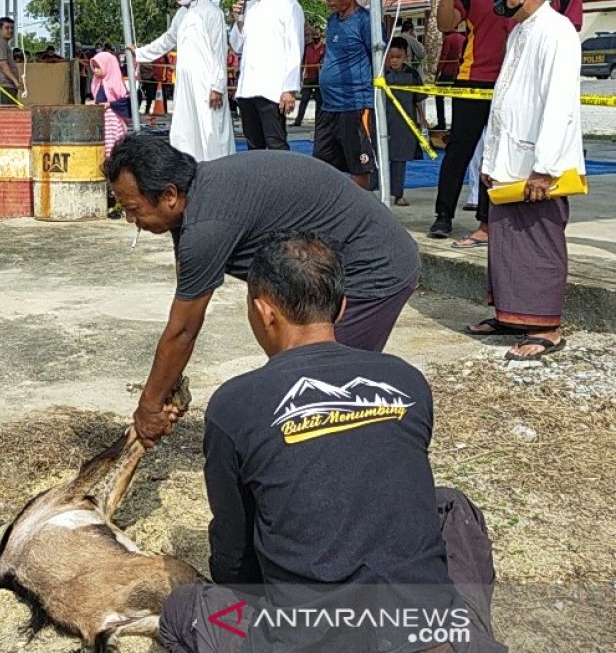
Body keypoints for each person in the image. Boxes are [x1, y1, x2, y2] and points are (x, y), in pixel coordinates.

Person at [158, 232, 504, 653]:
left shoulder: (234, 404)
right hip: (425, 628)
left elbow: (234, 552)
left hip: (307, 635)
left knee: (181, 610)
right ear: (341, 307)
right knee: (452, 506)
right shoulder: (405, 378)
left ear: (264, 311)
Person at [104, 132, 421, 442]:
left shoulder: (206, 225)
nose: (131, 219)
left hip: (374, 265)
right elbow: (187, 292)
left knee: (323, 393)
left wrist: (149, 406)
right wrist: (167, 385)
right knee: (299, 382)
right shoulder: (197, 197)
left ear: (169, 195)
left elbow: (183, 329)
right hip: (323, 266)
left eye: (134, 208)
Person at [467, 0, 584, 363]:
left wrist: (544, 167)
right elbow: (506, 101)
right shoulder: (520, 31)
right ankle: (511, 317)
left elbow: (560, 106)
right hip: (509, 164)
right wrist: (490, 161)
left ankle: (545, 328)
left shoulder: (557, 32)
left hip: (539, 168)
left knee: (539, 245)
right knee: (507, 245)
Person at [429, 0, 516, 245]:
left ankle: (491, 219)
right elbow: (445, 24)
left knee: (501, 153)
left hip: (509, 83)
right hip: (472, 80)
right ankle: (443, 215)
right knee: (458, 151)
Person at [133, 0, 235, 161]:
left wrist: (217, 87)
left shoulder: (212, 12)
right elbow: (167, 40)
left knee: (211, 130)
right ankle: (189, 170)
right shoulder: (181, 14)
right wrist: (139, 53)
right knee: (185, 129)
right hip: (185, 83)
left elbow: (218, 52)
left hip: (206, 84)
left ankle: (217, 173)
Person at [230, 0, 305, 151]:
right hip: (247, 89)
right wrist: (238, 20)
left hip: (272, 89)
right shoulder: (249, 5)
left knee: (276, 144)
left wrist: (289, 90)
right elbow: (236, 45)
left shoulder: (287, 4)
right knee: (253, 146)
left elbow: (295, 48)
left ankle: (282, 183)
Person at [313, 0, 377, 190]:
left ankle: (358, 215)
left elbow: (380, 58)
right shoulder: (332, 21)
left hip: (355, 105)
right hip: (329, 106)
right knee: (322, 165)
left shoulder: (365, 22)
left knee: (359, 166)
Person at [383, 37, 427, 206]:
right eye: (391, 56)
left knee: (399, 159)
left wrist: (422, 118)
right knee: (379, 157)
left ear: (405, 57)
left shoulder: (412, 74)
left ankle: (398, 194)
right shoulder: (382, 74)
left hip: (404, 122)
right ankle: (376, 191)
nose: (394, 60)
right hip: (384, 121)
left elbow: (418, 99)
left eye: (398, 57)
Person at [89, 51, 131, 157]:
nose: (95, 70)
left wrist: (109, 105)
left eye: (98, 67)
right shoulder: (97, 82)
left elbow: (124, 101)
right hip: (101, 118)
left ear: (107, 66)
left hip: (112, 120)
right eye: (94, 67)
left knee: (111, 145)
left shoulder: (115, 82)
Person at [432, 29, 465, 130]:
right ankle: (456, 123)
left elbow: (444, 56)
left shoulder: (448, 38)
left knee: (439, 96)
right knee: (456, 98)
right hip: (459, 72)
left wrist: (437, 71)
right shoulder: (463, 38)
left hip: (448, 72)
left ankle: (441, 122)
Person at [293, 26, 324, 126]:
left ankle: (318, 123)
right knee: (304, 99)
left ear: (321, 36)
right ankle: (298, 121)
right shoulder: (307, 47)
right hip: (308, 77)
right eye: (314, 35)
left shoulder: (324, 48)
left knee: (319, 100)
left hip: (319, 78)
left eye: (317, 35)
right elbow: (302, 62)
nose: (315, 37)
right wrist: (300, 76)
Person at [0, 17, 23, 104]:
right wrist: (16, 81)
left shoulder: (3, 43)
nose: (10, 30)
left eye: (12, 28)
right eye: (7, 28)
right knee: (8, 114)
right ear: (0, 29)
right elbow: (3, 64)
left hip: (7, 85)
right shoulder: (0, 43)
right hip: (5, 86)